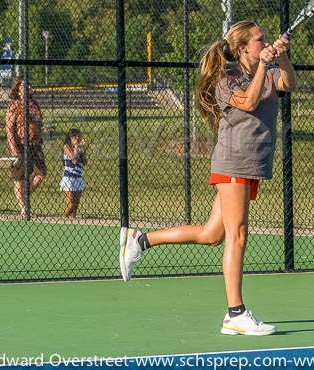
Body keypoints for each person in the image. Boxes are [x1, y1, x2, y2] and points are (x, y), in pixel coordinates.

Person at [119, 21, 296, 336]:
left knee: (211, 234)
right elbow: (250, 102)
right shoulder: (227, 81)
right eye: (259, 40)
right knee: (237, 235)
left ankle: (141, 240)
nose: (264, 42)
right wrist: (265, 65)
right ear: (242, 49)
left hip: (251, 165)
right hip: (233, 163)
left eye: (266, 39)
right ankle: (235, 313)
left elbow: (287, 82)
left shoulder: (267, 72)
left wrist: (281, 57)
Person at [5, 78, 46, 217]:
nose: (28, 86)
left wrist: (42, 130)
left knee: (41, 174)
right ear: (17, 89)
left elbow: (38, 123)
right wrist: (14, 149)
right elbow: (9, 129)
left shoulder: (34, 104)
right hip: (20, 145)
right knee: (20, 178)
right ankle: (23, 208)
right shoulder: (14, 105)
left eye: (29, 84)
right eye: (24, 85)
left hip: (35, 145)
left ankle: (24, 195)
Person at [60, 128, 86, 218]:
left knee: (75, 207)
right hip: (69, 178)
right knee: (70, 204)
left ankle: (72, 221)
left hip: (78, 177)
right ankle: (63, 219)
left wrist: (82, 152)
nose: (77, 140)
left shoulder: (80, 148)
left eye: (79, 138)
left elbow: (85, 162)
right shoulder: (66, 146)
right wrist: (76, 147)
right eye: (75, 138)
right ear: (71, 138)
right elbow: (74, 159)